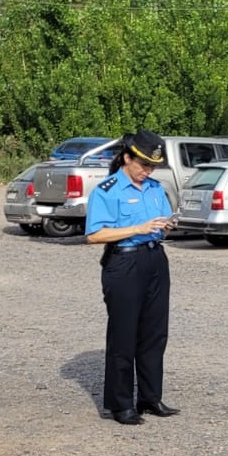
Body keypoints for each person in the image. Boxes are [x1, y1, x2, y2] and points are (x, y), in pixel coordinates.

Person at [85, 130, 181, 424]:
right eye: (143, 164)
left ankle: (150, 397)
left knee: (154, 333)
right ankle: (121, 404)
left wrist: (165, 226)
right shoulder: (108, 190)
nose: (147, 171)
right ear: (127, 158)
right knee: (124, 334)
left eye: (152, 166)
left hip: (154, 259)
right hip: (124, 263)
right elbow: (94, 235)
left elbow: (161, 221)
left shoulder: (155, 188)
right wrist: (138, 228)